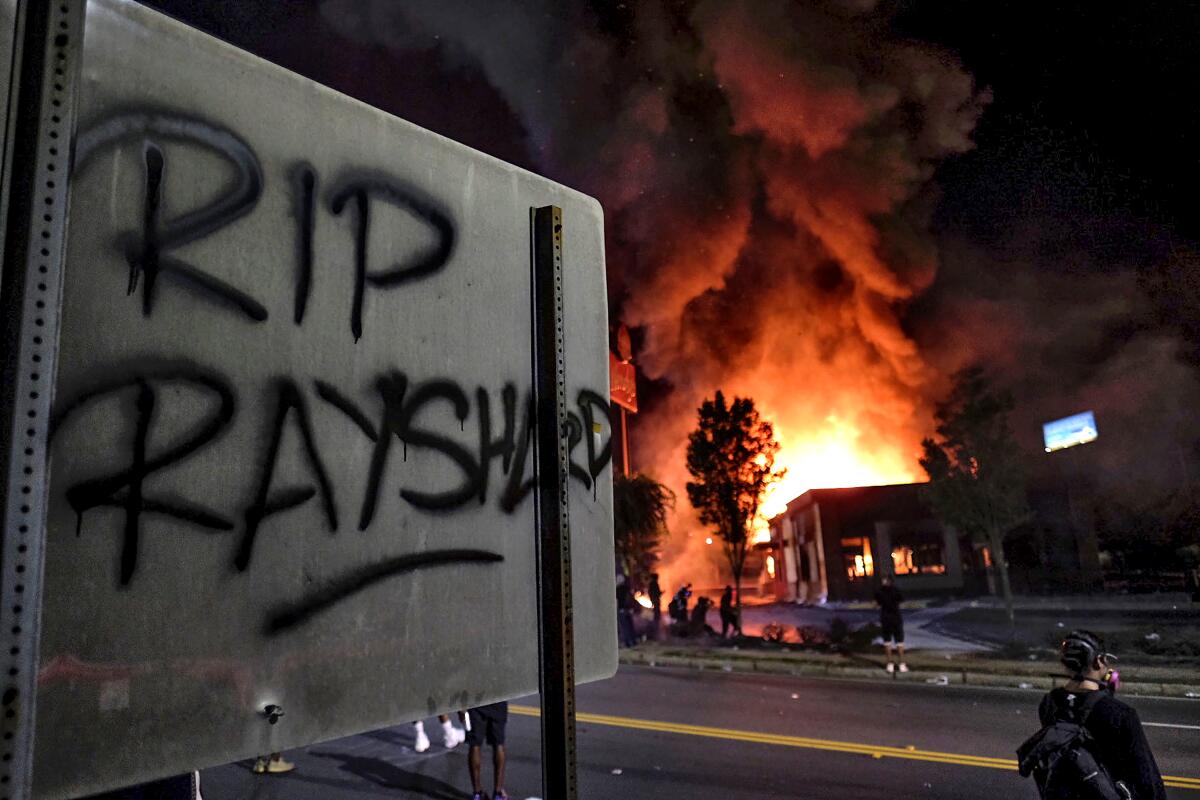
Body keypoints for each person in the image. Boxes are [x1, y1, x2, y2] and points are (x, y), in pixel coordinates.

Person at [1032, 630, 1166, 800]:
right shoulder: (1121, 713)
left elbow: (1079, 712)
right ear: (1098, 661)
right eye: (1106, 659)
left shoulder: (1050, 702)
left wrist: (1103, 694)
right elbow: (1146, 777)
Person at [466, 702, 509, 800]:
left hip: (475, 700)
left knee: (475, 744)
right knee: (499, 743)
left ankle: (477, 793)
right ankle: (498, 793)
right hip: (497, 698)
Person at [874, 574, 907, 673]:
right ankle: (901, 664)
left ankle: (890, 664)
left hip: (885, 619)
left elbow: (877, 604)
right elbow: (901, 600)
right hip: (896, 618)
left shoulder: (879, 592)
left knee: (887, 642)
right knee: (899, 642)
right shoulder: (896, 590)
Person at [615, 573, 638, 647]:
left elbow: (617, 601)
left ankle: (628, 643)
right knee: (630, 626)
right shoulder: (627, 589)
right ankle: (633, 641)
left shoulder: (617, 590)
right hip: (628, 610)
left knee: (624, 627)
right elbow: (631, 598)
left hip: (622, 610)